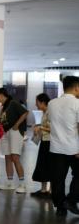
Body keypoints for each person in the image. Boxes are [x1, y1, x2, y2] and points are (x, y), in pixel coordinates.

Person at [47, 75, 79, 216]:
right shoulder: (77, 103)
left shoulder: (52, 103)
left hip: (56, 147)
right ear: (76, 87)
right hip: (74, 148)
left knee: (57, 179)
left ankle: (60, 207)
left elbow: (51, 121)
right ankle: (71, 200)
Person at [0, 88, 29, 193]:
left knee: (15, 157)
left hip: (15, 132)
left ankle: (22, 184)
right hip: (5, 133)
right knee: (7, 157)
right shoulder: (3, 107)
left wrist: (17, 125)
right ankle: (10, 183)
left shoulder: (13, 103)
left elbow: (25, 113)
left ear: (1, 94)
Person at [31, 93, 52, 198]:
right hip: (44, 141)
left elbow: (53, 128)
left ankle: (51, 191)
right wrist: (38, 127)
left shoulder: (51, 112)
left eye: (37, 102)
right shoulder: (44, 112)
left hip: (50, 142)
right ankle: (43, 190)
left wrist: (40, 128)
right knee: (42, 165)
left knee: (50, 165)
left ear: (43, 102)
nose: (36, 105)